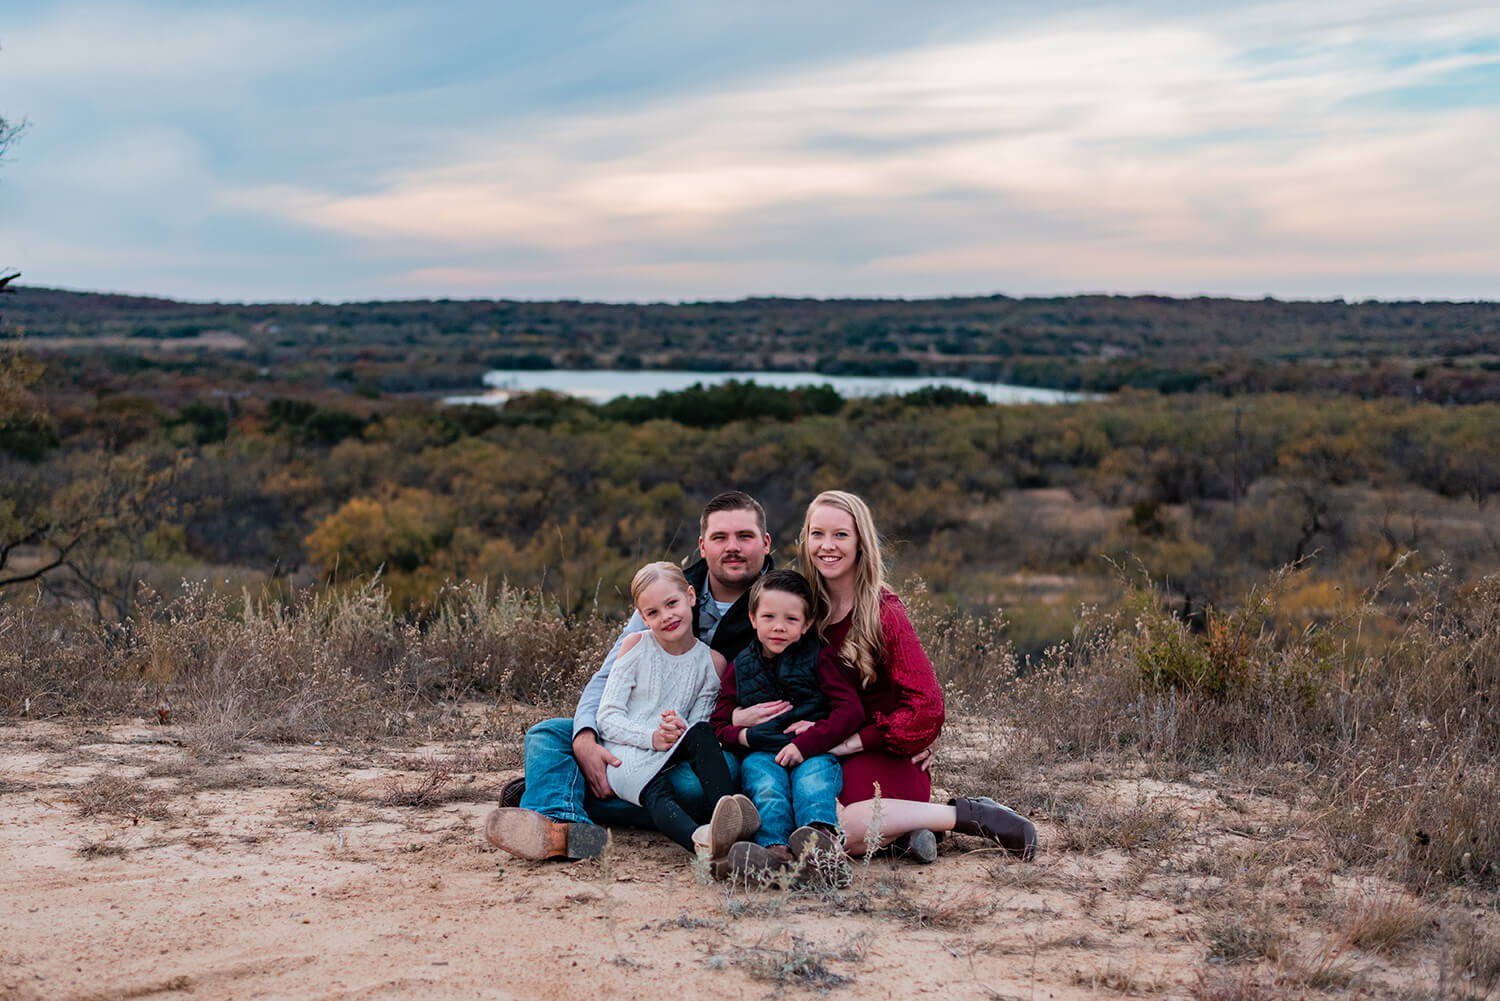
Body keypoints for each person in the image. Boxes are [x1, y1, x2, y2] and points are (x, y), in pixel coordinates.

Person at [484, 491, 781, 860]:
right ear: (703, 546)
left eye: (745, 536)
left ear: (765, 543)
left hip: (708, 744)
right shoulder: (664, 590)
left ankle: (555, 794)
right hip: (632, 731)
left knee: (694, 785)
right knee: (549, 735)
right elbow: (609, 676)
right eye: (720, 538)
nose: (732, 547)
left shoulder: (779, 603)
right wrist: (586, 738)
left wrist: (732, 719)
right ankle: (563, 824)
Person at [799, 489, 1037, 862]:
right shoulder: (799, 606)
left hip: (880, 755)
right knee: (803, 816)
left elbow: (927, 706)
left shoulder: (884, 612)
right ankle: (908, 835)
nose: (827, 546)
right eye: (817, 534)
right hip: (821, 750)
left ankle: (969, 816)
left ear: (861, 541)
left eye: (840, 535)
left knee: (848, 828)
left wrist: (853, 742)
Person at [710, 570, 863, 880]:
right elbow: (718, 721)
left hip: (812, 750)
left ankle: (821, 849)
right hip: (762, 752)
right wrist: (746, 736)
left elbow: (850, 710)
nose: (778, 627)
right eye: (768, 616)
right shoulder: (741, 665)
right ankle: (775, 851)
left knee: (813, 784)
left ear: (807, 624)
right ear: (752, 618)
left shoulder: (819, 657)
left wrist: (808, 742)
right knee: (765, 786)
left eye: (791, 620)